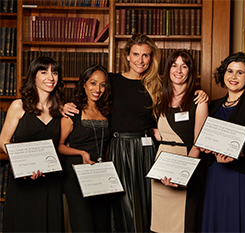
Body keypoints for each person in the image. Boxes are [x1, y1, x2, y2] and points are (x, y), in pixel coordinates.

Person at [62, 34, 208, 232]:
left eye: (146, 55)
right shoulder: (111, 81)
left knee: (149, 206)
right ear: (127, 56)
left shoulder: (157, 84)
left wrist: (200, 92)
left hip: (148, 151)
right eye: (136, 54)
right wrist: (66, 105)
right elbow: (90, 94)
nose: (140, 60)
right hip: (119, 150)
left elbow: (180, 95)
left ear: (152, 58)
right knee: (123, 206)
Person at [200, 52, 245, 232]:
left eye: (240, 72)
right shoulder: (213, 105)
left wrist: (240, 153)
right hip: (215, 176)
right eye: (229, 71)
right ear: (223, 74)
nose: (233, 76)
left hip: (243, 175)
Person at [0, 56, 64, 232]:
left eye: (54, 72)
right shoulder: (18, 106)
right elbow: (3, 141)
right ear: (33, 76)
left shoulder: (60, 109)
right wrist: (24, 165)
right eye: (44, 72)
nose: (50, 77)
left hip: (50, 182)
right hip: (23, 181)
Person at [150, 49, 208, 232]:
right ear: (168, 69)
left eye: (184, 66)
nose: (179, 70)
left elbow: (199, 142)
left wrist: (182, 173)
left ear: (190, 71)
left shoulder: (199, 100)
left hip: (186, 163)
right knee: (159, 224)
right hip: (162, 164)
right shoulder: (160, 99)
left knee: (184, 224)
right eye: (174, 65)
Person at [58, 64, 112, 232]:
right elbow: (58, 146)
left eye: (102, 84)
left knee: (102, 225)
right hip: (76, 174)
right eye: (93, 83)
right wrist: (80, 152)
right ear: (84, 84)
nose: (98, 89)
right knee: (83, 225)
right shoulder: (73, 112)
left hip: (100, 174)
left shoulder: (107, 111)